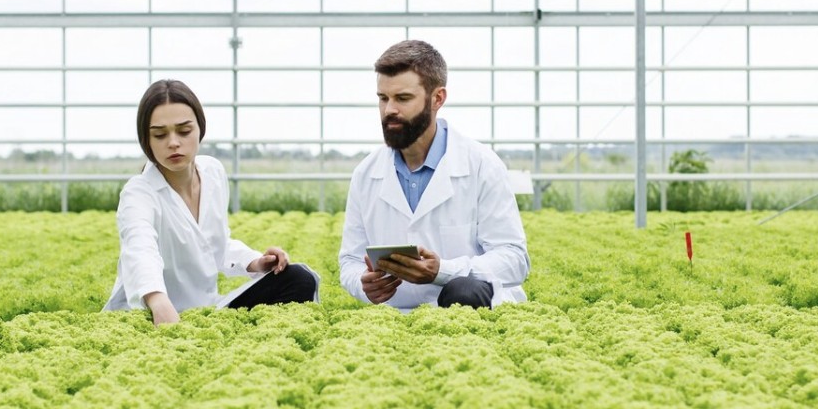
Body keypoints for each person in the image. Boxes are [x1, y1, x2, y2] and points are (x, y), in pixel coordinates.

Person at [105, 79, 319, 325]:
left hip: (206, 311)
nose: (173, 142)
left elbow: (216, 242)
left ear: (200, 129)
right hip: (153, 313)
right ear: (147, 140)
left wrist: (255, 262)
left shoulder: (213, 172)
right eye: (160, 134)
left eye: (184, 131)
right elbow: (140, 250)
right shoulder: (138, 192)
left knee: (299, 279)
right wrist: (158, 301)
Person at [339, 40, 530, 310]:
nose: (389, 109)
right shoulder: (366, 173)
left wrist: (443, 271)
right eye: (383, 98)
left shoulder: (481, 165)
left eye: (403, 98)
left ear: (437, 99)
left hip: (470, 316)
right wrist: (363, 284)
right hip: (397, 315)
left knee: (462, 290)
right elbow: (350, 260)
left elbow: (514, 259)